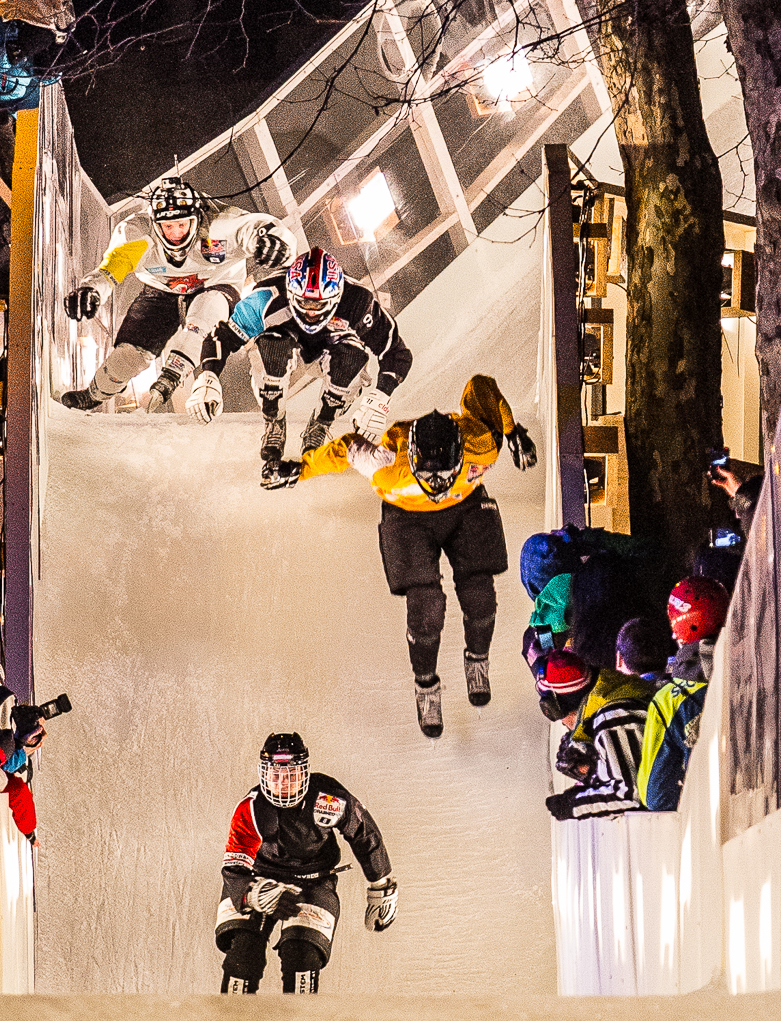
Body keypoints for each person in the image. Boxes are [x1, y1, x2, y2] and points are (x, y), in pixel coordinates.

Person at [262, 376, 537, 731]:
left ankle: (476, 658)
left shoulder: (482, 445)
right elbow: (344, 450)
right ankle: (426, 685)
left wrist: (513, 430)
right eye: (429, 474)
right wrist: (301, 468)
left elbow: (481, 387)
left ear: (461, 455)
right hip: (408, 518)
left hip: (457, 510)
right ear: (411, 459)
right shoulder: (387, 462)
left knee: (479, 594)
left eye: (444, 474)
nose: (437, 485)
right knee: (426, 606)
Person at [60, 178, 297, 412]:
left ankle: (173, 375)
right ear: (154, 223)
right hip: (161, 291)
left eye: (182, 224)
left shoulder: (221, 225)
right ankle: (95, 393)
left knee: (206, 311)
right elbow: (114, 265)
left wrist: (278, 244)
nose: (176, 234)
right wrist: (92, 290)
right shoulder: (138, 232)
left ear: (198, 218)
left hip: (217, 285)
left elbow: (260, 227)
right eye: (168, 226)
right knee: (128, 356)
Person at [186, 246, 413, 460]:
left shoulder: (358, 301)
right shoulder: (266, 298)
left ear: (336, 296)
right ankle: (274, 421)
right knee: (272, 349)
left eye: (318, 304)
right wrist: (208, 377)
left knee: (350, 358)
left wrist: (381, 399)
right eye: (304, 302)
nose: (310, 312)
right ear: (290, 292)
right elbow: (224, 335)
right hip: (283, 341)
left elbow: (395, 351)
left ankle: (321, 424)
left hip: (334, 345)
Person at [215, 732, 397, 994]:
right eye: (276, 775)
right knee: (242, 955)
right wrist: (253, 893)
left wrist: (381, 883)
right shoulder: (251, 808)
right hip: (259, 877)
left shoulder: (328, 798)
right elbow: (233, 866)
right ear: (264, 774)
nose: (283, 783)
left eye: (291, 775)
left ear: (305, 773)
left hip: (314, 882)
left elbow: (363, 831)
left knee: (302, 956)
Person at [637, 577, 729, 812]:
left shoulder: (667, 700)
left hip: (712, 818)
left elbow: (654, 795)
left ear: (678, 626)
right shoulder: (758, 665)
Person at [538, 650, 658, 820]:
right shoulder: (616, 691)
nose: (561, 722)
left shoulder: (612, 717)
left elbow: (627, 795)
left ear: (560, 705)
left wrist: (571, 804)